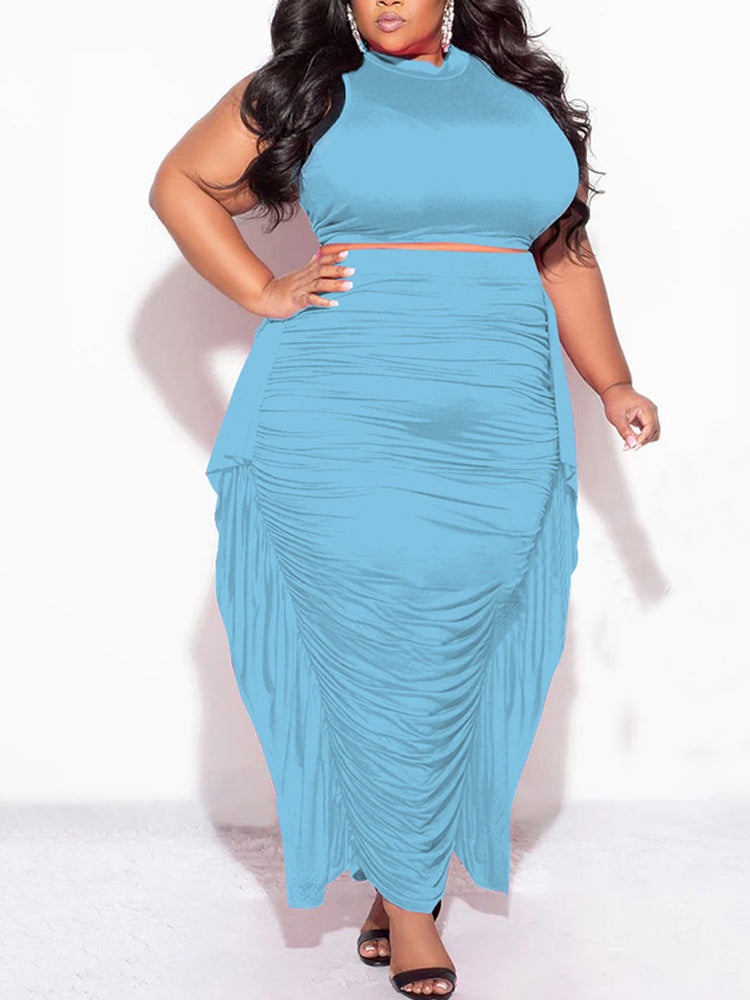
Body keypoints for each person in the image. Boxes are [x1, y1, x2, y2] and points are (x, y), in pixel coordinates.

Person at [149, 1, 660, 995]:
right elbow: (181, 182)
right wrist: (261, 290)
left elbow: (564, 256)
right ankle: (414, 905)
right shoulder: (310, 88)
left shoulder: (524, 103)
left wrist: (614, 384)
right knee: (374, 649)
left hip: (498, 423)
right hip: (337, 414)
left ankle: (402, 868)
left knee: (456, 650)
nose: (384, 0)